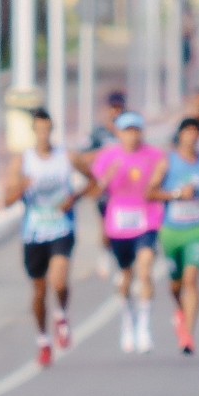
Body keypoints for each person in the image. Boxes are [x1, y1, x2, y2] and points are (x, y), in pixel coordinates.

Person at [4, 109, 81, 366]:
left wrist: (73, 198)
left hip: (61, 228)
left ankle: (61, 315)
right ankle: (43, 339)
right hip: (34, 232)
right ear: (34, 132)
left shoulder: (65, 157)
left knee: (59, 281)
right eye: (40, 130)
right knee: (39, 291)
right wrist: (21, 187)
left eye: (48, 129)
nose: (44, 134)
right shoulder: (23, 161)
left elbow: (94, 181)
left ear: (52, 130)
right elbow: (7, 200)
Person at [87, 112, 165, 353]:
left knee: (145, 269)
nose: (131, 135)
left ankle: (144, 326)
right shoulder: (108, 157)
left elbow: (163, 176)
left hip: (147, 220)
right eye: (126, 130)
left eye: (135, 130)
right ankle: (128, 321)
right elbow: (95, 189)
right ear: (118, 133)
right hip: (119, 224)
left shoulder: (154, 156)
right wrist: (108, 176)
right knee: (126, 276)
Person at [148, 118, 199, 355]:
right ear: (180, 136)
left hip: (197, 230)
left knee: (191, 280)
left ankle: (187, 334)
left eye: (196, 132)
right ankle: (180, 311)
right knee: (176, 284)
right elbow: (150, 192)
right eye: (188, 131)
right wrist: (178, 194)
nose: (192, 136)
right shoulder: (168, 162)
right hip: (172, 231)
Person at [76, 91, 128, 278]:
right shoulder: (98, 133)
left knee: (124, 228)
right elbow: (82, 157)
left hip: (127, 189)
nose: (116, 111)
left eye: (119, 107)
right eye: (113, 108)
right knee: (107, 226)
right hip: (106, 189)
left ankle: (123, 264)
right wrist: (105, 154)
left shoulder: (129, 131)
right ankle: (106, 254)